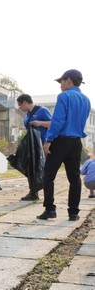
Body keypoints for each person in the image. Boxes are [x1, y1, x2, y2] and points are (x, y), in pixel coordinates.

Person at [38, 69, 91, 221]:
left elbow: (58, 121)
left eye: (60, 81)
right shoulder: (86, 99)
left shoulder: (64, 96)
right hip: (76, 143)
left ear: (68, 80)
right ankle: (73, 212)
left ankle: (50, 210)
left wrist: (49, 140)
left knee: (48, 176)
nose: (59, 85)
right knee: (74, 178)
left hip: (61, 140)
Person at [16, 94, 53, 201]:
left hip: (42, 143)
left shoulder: (42, 110)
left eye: (20, 105)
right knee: (30, 168)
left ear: (25, 103)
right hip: (32, 145)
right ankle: (33, 192)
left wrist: (40, 123)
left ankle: (46, 194)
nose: (20, 108)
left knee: (42, 169)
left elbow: (53, 123)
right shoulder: (27, 115)